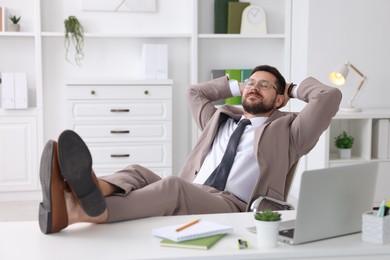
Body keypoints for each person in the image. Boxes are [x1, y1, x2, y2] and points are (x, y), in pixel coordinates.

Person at [38, 65, 342, 234]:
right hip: (197, 191)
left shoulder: (291, 132)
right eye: (250, 82)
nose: (253, 87)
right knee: (137, 171)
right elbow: (193, 91)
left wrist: (292, 89)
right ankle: (85, 190)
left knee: (172, 187)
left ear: (279, 99)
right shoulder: (218, 117)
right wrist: (235, 85)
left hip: (235, 205)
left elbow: (328, 96)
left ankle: (77, 210)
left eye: (264, 85)